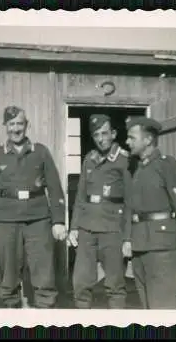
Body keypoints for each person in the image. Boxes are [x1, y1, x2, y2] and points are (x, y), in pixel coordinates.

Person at [0, 105, 67, 309]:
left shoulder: (41, 152)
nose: (16, 129)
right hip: (8, 221)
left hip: (39, 220)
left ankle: (45, 315)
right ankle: (12, 315)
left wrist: (59, 221)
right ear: (5, 126)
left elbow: (55, 189)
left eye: (20, 124)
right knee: (9, 274)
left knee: (43, 271)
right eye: (11, 124)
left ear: (26, 126)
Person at [123, 116, 176, 309]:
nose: (127, 142)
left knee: (162, 311)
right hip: (140, 248)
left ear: (148, 140)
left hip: (163, 249)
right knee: (149, 311)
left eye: (132, 137)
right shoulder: (138, 170)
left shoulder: (168, 166)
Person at [68, 114, 133, 309]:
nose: (101, 138)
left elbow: (130, 202)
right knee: (80, 283)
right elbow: (80, 196)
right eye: (96, 134)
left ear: (113, 134)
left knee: (114, 285)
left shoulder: (124, 160)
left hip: (113, 229)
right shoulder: (89, 159)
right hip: (87, 228)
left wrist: (128, 238)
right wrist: (74, 227)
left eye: (105, 133)